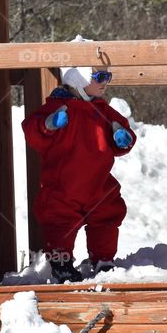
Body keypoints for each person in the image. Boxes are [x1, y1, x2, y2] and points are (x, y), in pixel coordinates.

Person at [22, 58, 136, 283]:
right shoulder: (57, 107)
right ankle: (61, 262)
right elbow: (32, 131)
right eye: (100, 76)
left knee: (107, 215)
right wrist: (48, 124)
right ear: (78, 76)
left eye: (108, 76)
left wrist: (123, 139)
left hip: (99, 183)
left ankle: (103, 259)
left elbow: (122, 132)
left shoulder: (103, 110)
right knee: (59, 220)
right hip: (64, 183)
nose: (106, 82)